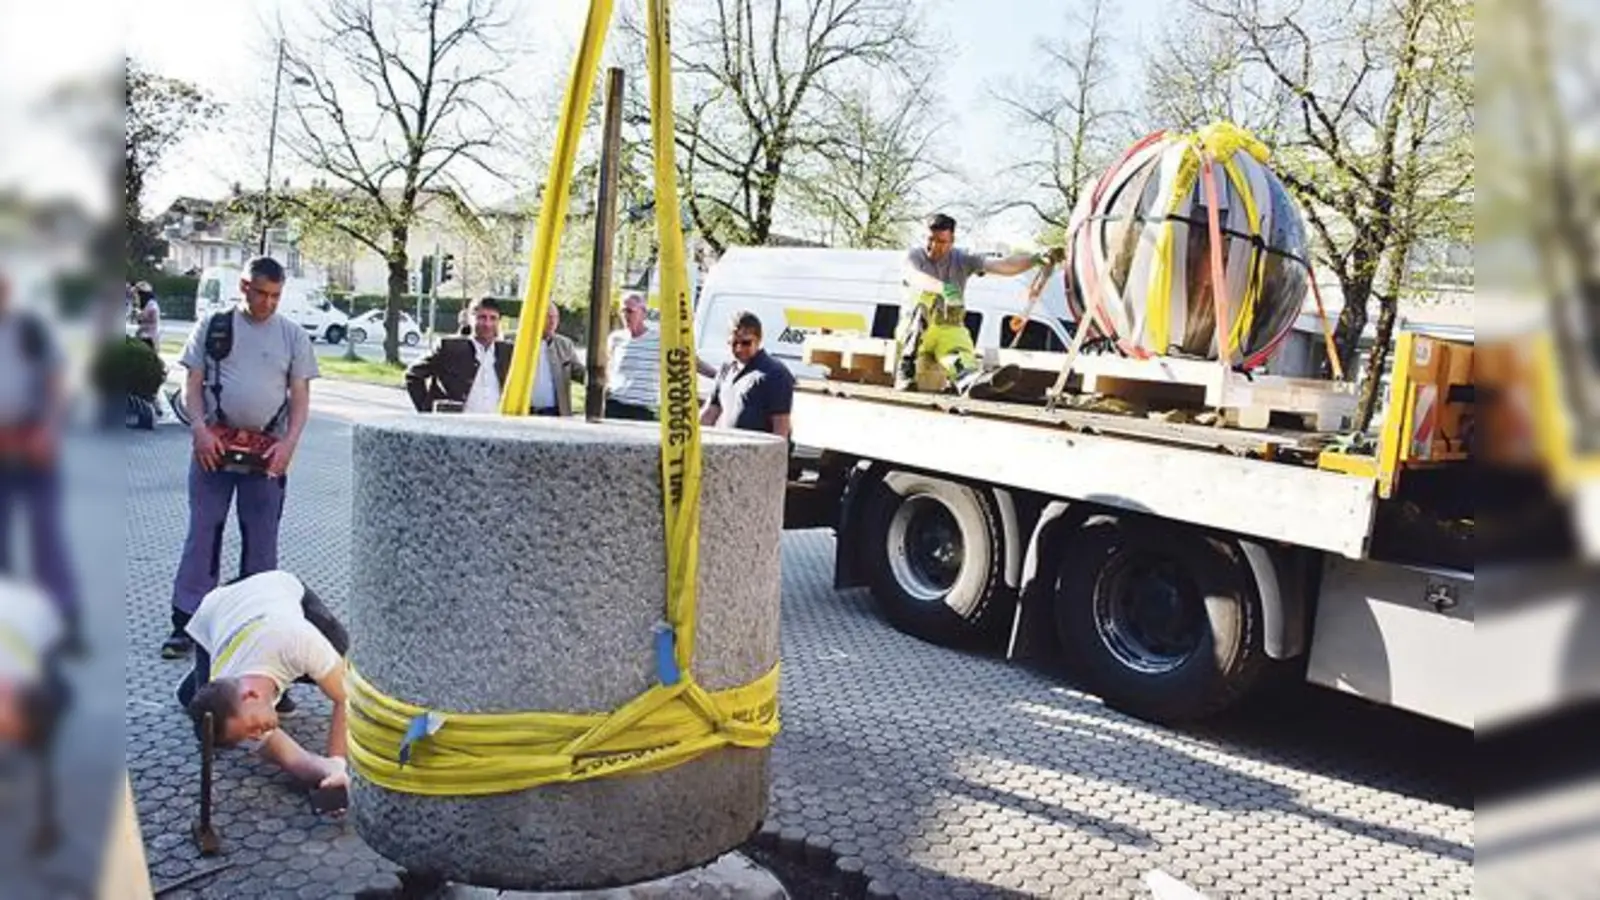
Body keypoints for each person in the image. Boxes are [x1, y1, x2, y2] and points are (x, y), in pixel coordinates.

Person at [161, 256, 319, 662]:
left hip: (266, 455)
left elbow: (300, 398)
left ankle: (255, 625)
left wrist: (289, 445)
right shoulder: (213, 326)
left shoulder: (293, 337)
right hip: (213, 448)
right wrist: (199, 428)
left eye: (275, 296)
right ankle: (187, 623)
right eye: (261, 293)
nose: (267, 303)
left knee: (262, 544)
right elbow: (191, 383)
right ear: (244, 286)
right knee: (203, 535)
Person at [179, 570, 351, 800]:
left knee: (340, 659)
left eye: (252, 729)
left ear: (250, 694)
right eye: (248, 735)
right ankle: (191, 687)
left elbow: (346, 698)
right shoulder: (234, 696)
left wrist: (337, 763)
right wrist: (324, 772)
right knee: (206, 733)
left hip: (274, 587)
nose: (256, 735)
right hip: (217, 609)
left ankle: (290, 682)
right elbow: (294, 760)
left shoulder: (299, 641)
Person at [0, 269, 82, 653]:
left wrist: (47, 431)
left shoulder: (31, 330)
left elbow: (57, 383)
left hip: (33, 445)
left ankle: (63, 625)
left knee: (46, 535)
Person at [897, 212, 1063, 395]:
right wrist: (944, 288)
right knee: (923, 304)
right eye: (930, 240)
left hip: (949, 327)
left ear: (952, 241)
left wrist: (1035, 259)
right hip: (918, 330)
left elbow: (1003, 265)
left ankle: (972, 381)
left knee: (958, 356)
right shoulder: (914, 256)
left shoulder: (962, 258)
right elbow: (917, 278)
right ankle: (906, 368)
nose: (934, 247)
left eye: (942, 242)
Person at [405, 297, 513, 413]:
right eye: (481, 318)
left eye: (493, 318)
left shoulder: (508, 352)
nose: (487, 324)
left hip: (495, 426)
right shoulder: (449, 348)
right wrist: (426, 411)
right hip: (455, 426)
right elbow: (414, 375)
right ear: (470, 319)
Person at [701, 311, 795, 439]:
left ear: (758, 340)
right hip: (727, 450)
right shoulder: (726, 369)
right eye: (734, 343)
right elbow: (709, 413)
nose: (739, 349)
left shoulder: (775, 374)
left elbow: (781, 429)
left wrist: (772, 457)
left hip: (756, 454)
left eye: (746, 343)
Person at [604, 292, 660, 421]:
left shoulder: (658, 339)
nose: (625, 316)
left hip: (643, 407)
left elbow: (689, 360)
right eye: (623, 311)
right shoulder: (615, 338)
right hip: (616, 404)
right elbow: (606, 366)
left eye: (630, 311)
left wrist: (715, 376)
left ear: (643, 313)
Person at [526, 303, 585, 417]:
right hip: (527, 411)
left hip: (556, 412)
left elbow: (578, 372)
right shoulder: (522, 343)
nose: (552, 321)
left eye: (555, 317)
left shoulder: (564, 344)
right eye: (547, 316)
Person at [132, 282, 160, 351]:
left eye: (136, 295)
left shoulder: (151, 304)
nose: (135, 298)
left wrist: (138, 313)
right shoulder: (147, 305)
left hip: (149, 340)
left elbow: (144, 317)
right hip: (144, 338)